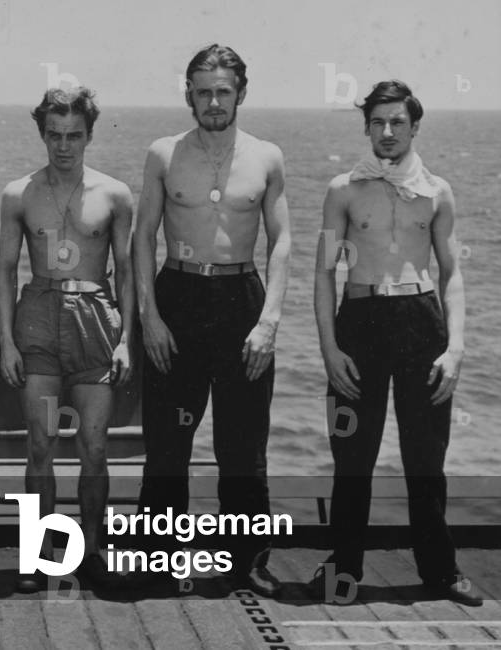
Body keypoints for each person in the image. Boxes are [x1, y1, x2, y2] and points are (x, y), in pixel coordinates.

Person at [310, 80, 482, 606]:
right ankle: (343, 568)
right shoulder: (343, 190)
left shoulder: (438, 191)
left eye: (397, 123)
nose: (387, 132)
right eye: (378, 122)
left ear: (413, 127)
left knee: (426, 456)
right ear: (366, 127)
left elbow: (452, 273)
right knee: (353, 456)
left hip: (420, 322)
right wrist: (330, 349)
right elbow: (323, 275)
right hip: (359, 322)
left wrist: (454, 348)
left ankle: (440, 571)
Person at [133, 44, 291, 597]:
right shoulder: (163, 154)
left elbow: (282, 241)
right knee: (168, 438)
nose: (214, 101)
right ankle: (159, 556)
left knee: (243, 442)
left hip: (242, 299)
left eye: (224, 90)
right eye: (204, 91)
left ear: (240, 93)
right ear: (189, 95)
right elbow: (141, 239)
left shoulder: (266, 156)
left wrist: (269, 318)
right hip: (177, 296)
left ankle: (244, 560)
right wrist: (149, 318)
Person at [0, 87, 134, 592]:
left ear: (90, 135)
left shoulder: (114, 194)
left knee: (94, 446)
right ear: (42, 134)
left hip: (96, 316)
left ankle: (92, 549)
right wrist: (7, 342)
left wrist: (125, 340)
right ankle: (38, 555)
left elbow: (126, 273)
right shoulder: (19, 194)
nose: (64, 145)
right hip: (39, 315)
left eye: (74, 135)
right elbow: (6, 270)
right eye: (54, 135)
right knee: (41, 444)